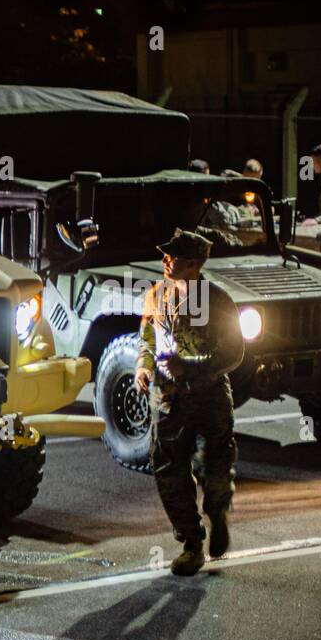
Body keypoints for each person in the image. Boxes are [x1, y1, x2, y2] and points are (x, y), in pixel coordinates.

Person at [134, 229, 245, 575]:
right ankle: (191, 544)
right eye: (166, 255)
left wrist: (191, 366)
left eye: (174, 257)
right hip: (167, 397)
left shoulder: (216, 300)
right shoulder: (156, 294)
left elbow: (234, 352)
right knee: (168, 469)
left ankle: (217, 513)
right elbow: (148, 336)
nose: (165, 261)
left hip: (209, 395)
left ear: (194, 264)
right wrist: (143, 366)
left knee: (214, 463)